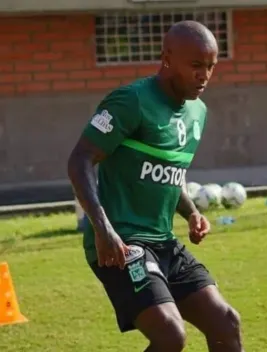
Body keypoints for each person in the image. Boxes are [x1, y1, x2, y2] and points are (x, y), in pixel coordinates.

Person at [67, 20, 243, 352]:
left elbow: (168, 173)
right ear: (166, 58)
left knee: (226, 322)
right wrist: (103, 229)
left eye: (210, 67)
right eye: (195, 66)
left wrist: (190, 211)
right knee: (169, 334)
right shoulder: (130, 101)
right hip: (120, 243)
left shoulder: (198, 112)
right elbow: (79, 160)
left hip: (163, 242)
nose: (204, 75)